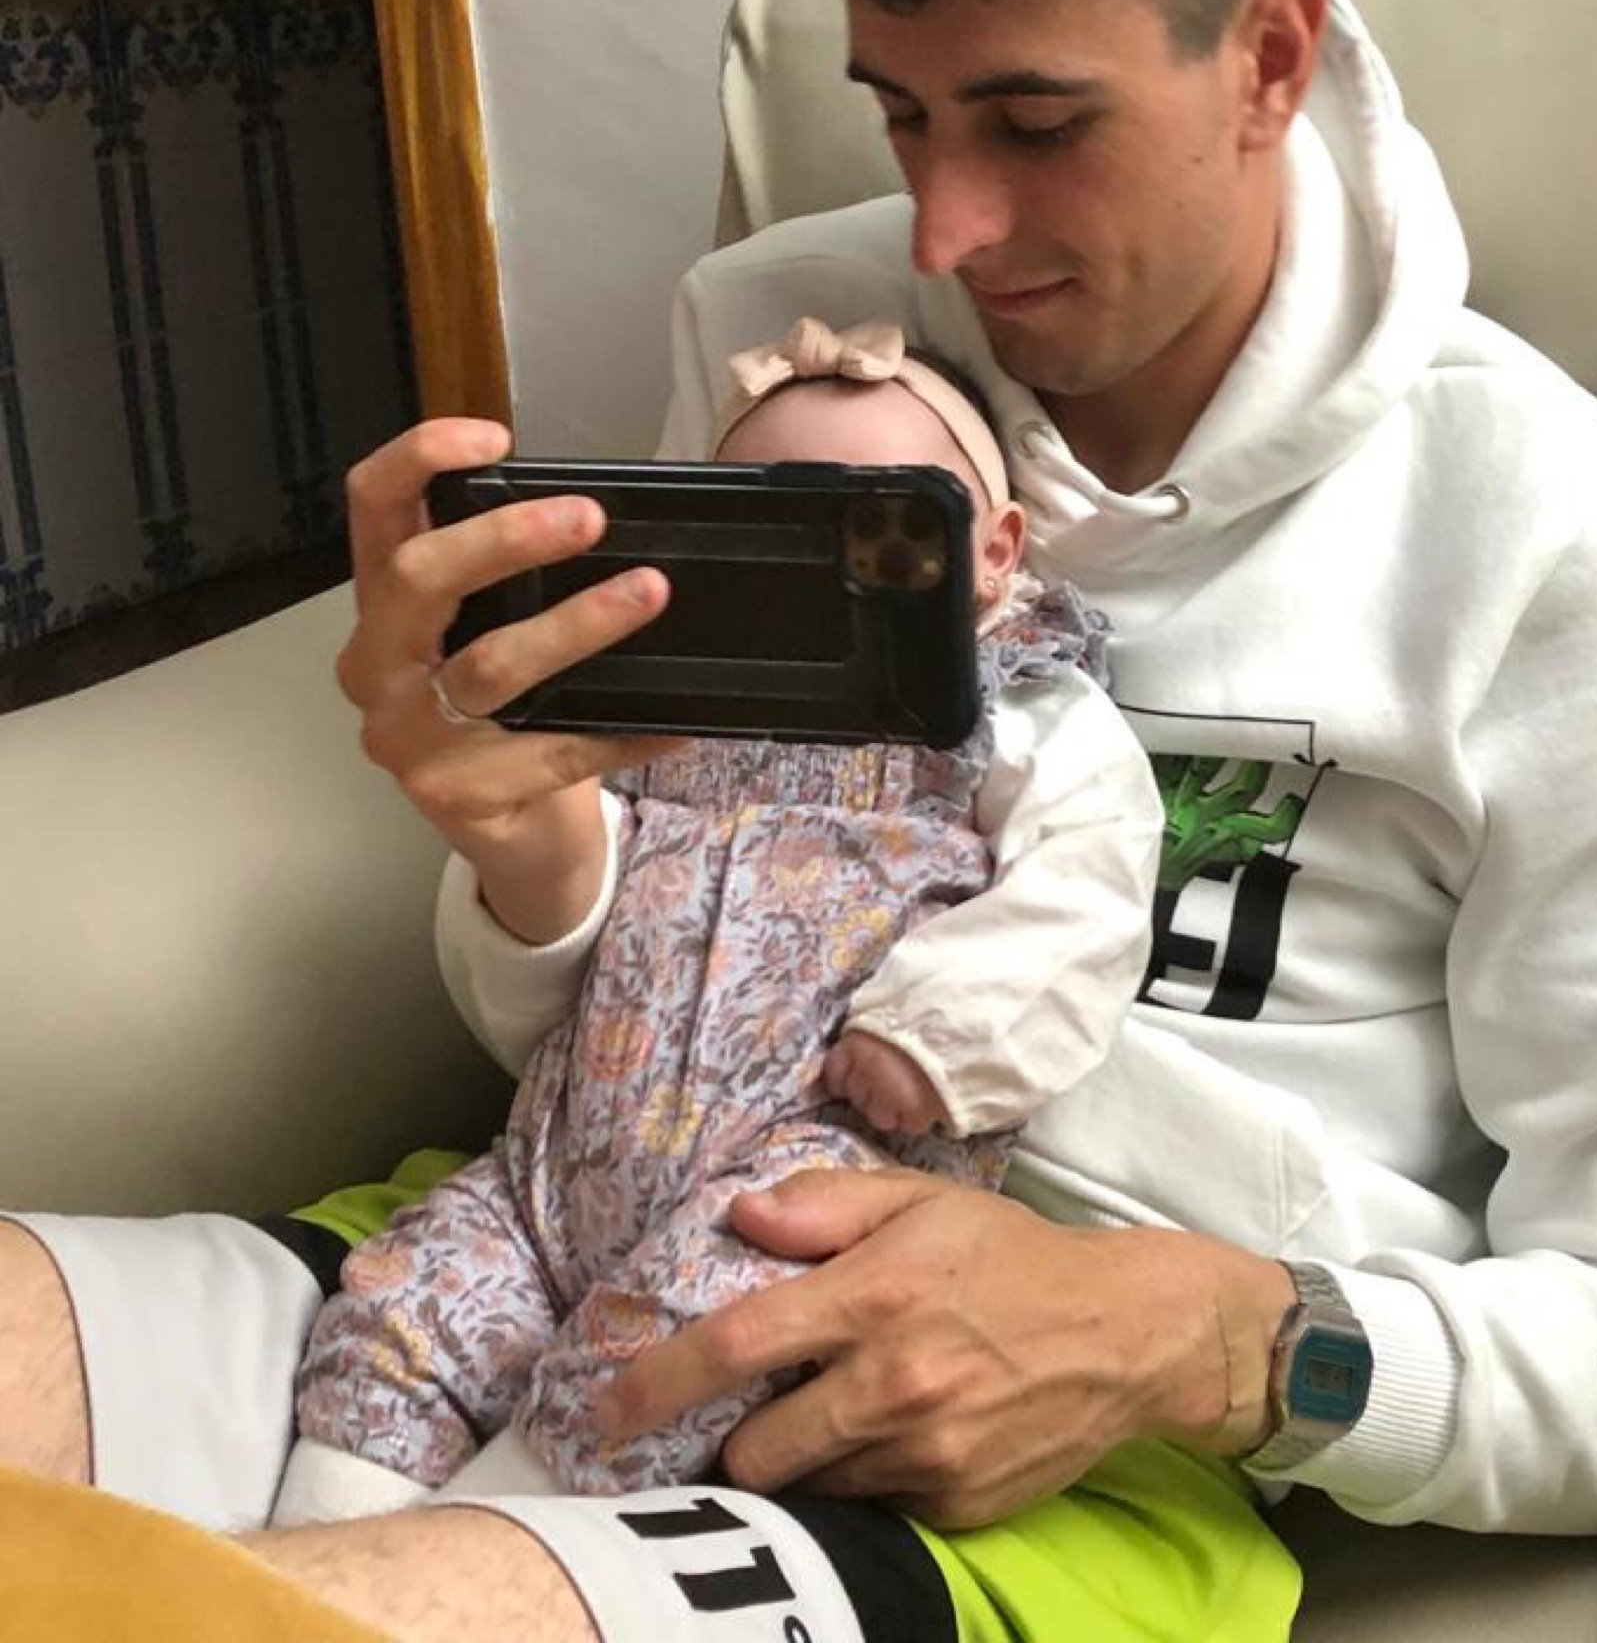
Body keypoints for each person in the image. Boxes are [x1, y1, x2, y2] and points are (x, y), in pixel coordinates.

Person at [3, 0, 1597, 1643]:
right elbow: (624, 970)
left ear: (1269, 60)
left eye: (1036, 123)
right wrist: (522, 857)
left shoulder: (1544, 531)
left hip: (1044, 1455)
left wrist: (1216, 1342)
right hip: (560, 1217)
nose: (944, 232)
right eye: (899, 112)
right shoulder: (775, 338)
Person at [275, 316, 1165, 1520]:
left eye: (870, 529)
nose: (815, 576)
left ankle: (480, 1534)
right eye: (770, 530)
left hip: (819, 1154)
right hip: (562, 1162)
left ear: (993, 554)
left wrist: (941, 1036)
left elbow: (1090, 886)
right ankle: (316, 1531)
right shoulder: (669, 707)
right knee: (407, 1301)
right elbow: (575, 880)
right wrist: (541, 860)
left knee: (691, 1333)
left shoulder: (1014, 710)